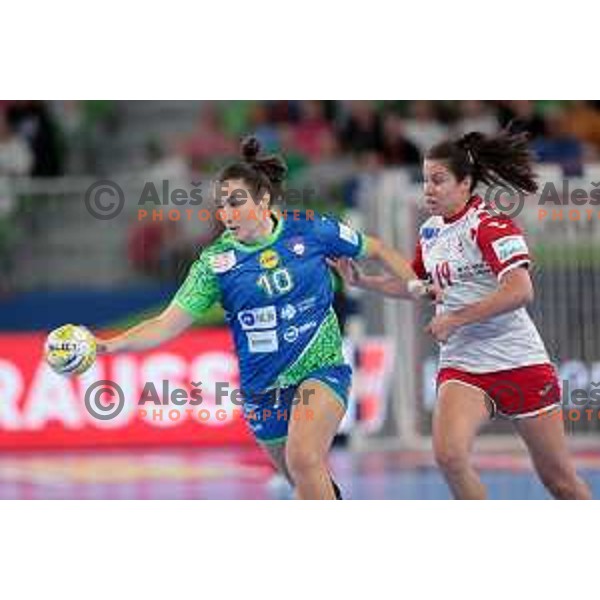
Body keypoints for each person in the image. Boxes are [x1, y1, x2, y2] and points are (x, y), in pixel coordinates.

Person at [93, 136, 431, 499]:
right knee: (308, 484)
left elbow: (376, 247)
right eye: (221, 205)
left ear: (263, 200)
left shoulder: (309, 229)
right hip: (262, 393)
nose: (227, 213)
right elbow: (166, 323)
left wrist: (414, 284)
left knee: (303, 459)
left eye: (236, 202)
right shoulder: (215, 264)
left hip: (320, 369)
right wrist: (109, 345)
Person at [332, 130, 592, 500]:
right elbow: (419, 285)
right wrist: (364, 281)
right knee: (449, 456)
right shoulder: (430, 232)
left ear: (465, 183)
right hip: (464, 365)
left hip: (519, 360)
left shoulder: (491, 224)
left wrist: (456, 319)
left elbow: (520, 291)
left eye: (438, 180)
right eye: (425, 180)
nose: (428, 189)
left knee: (559, 480)